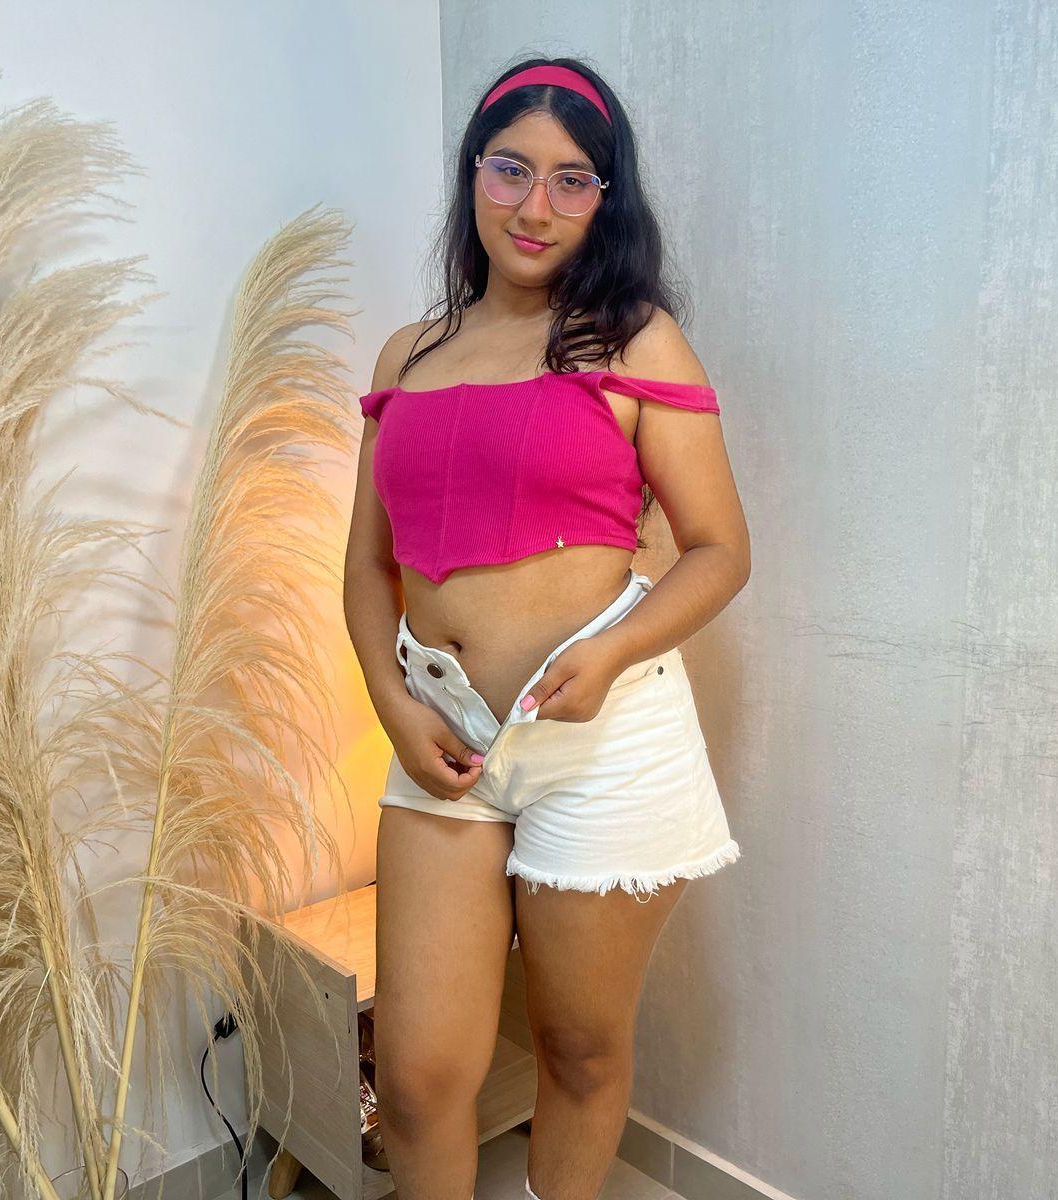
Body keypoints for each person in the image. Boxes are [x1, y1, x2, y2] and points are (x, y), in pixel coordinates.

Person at [342, 57, 749, 1200]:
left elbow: (720, 549)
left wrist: (610, 652)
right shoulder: (408, 357)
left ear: (606, 199)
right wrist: (389, 703)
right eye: (510, 170)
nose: (535, 205)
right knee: (416, 1080)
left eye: (573, 180)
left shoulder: (635, 343)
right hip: (440, 738)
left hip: (602, 743)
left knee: (578, 1051)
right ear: (472, 175)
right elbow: (366, 568)